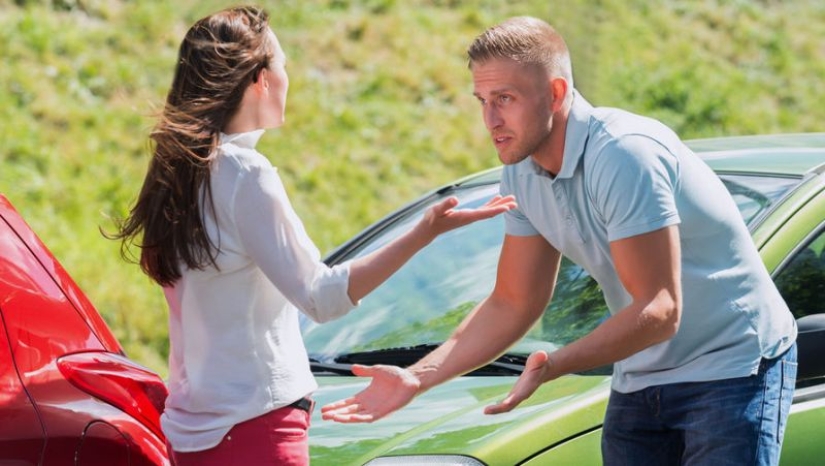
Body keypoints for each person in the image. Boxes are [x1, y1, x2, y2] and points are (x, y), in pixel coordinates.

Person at [321, 16, 798, 466]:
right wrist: (417, 377)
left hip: (731, 367)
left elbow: (659, 309)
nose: (490, 119)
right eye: (481, 100)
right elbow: (513, 301)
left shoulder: (624, 154)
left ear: (556, 93)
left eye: (504, 98)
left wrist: (553, 365)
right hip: (640, 377)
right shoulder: (520, 171)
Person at [111, 6, 515, 465]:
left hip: (190, 435)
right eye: (283, 65)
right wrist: (425, 231)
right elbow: (322, 297)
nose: (288, 78)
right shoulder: (244, 174)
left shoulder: (181, 172)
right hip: (255, 427)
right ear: (260, 80)